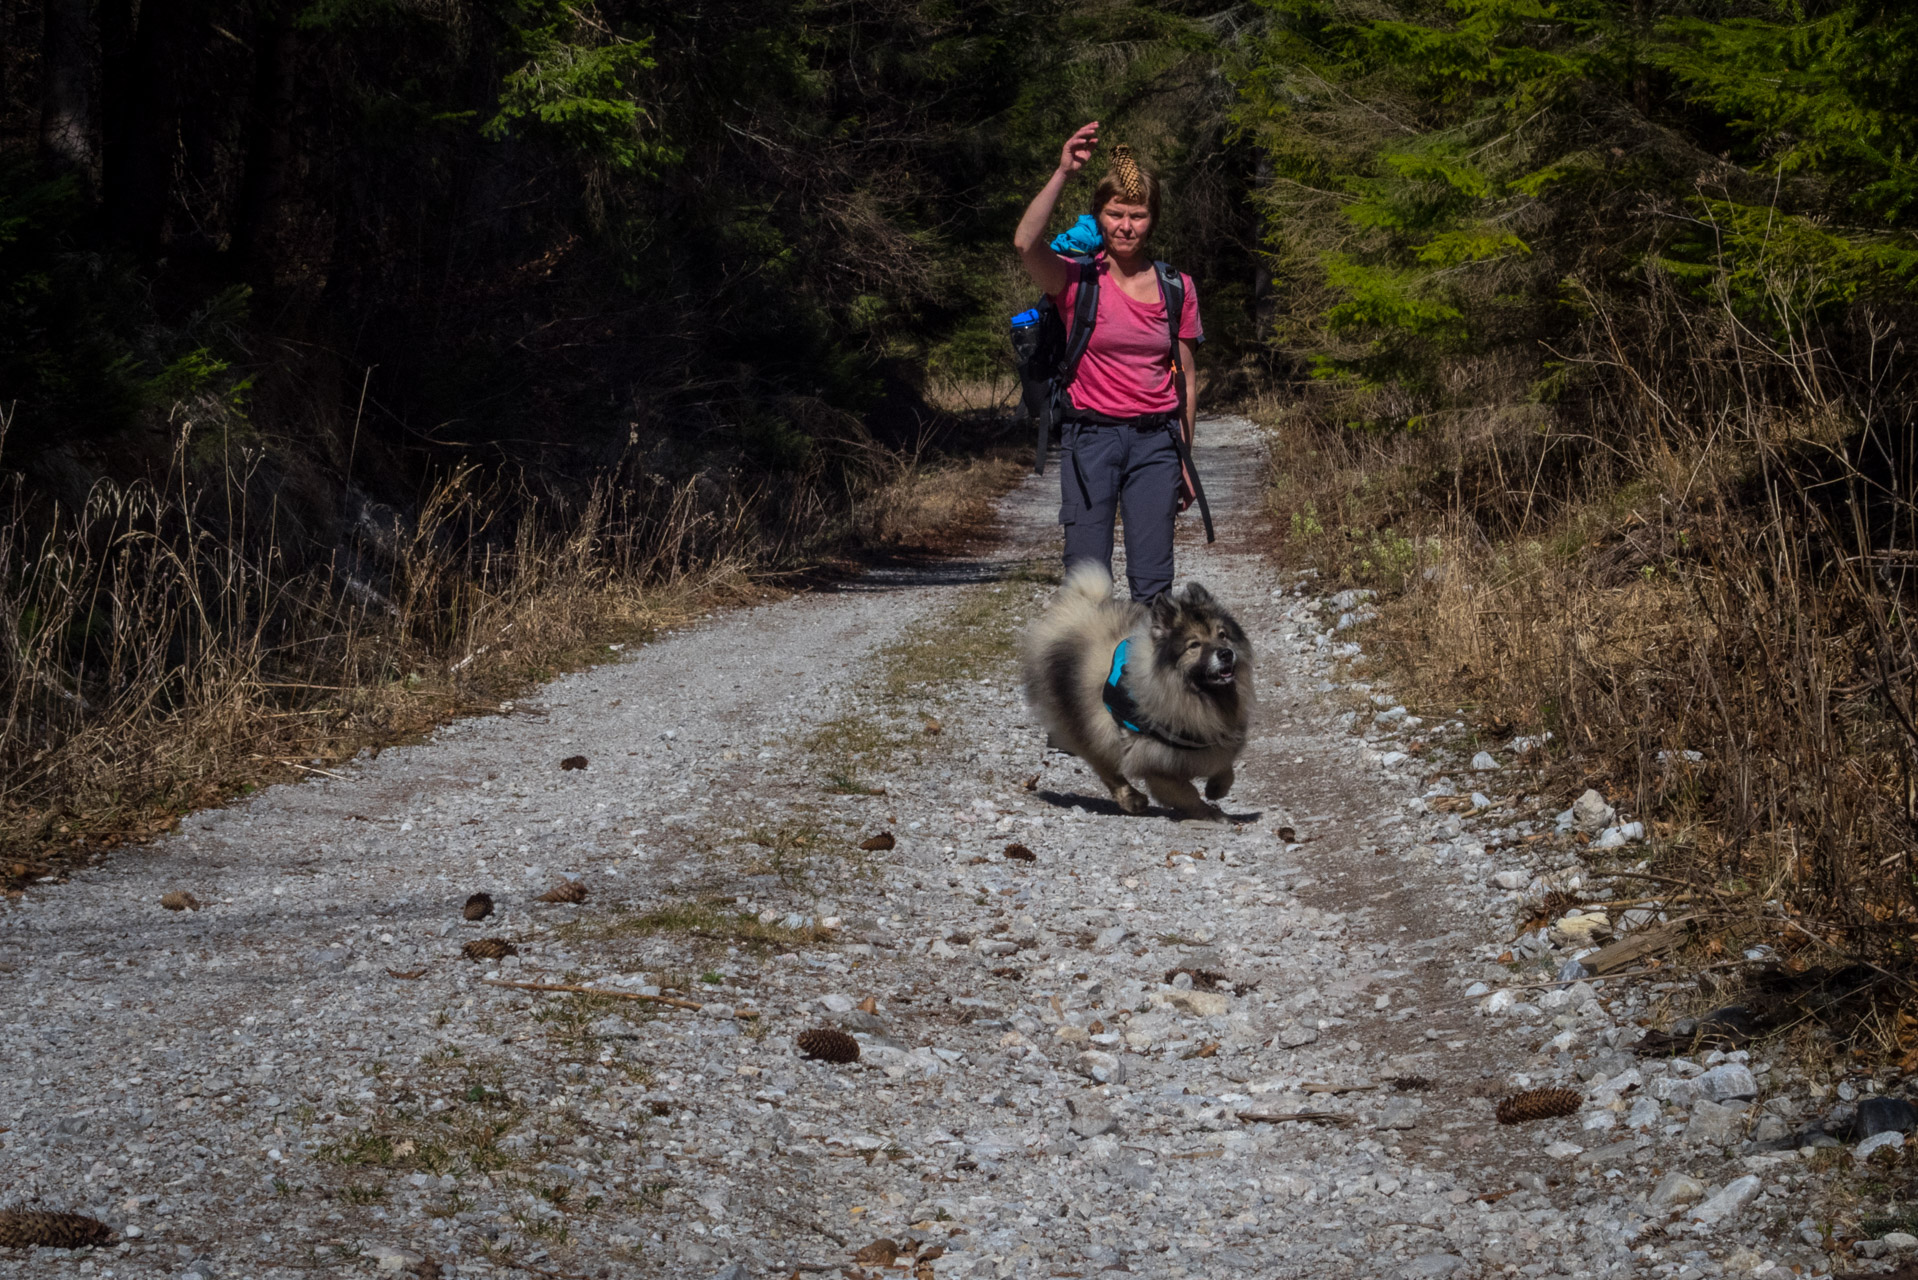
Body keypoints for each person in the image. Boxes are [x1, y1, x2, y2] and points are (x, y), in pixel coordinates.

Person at [1013, 121, 1203, 602]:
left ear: (1152, 219)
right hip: (1090, 441)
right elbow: (1024, 244)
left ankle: (1139, 679)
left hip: (1156, 445)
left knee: (1154, 589)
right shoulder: (1076, 281)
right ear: (1099, 216)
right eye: (1115, 214)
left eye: (1137, 215)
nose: (1126, 225)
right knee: (1086, 585)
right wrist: (1062, 172)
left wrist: (1185, 456)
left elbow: (1186, 380)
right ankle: (1088, 679)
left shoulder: (1176, 288)